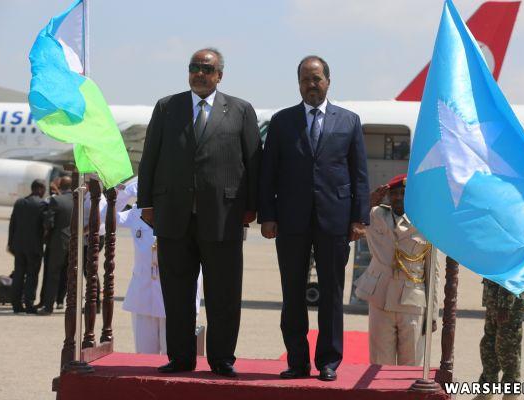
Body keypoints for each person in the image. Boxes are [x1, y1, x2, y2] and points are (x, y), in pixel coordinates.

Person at [137, 48, 261, 376]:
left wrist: (252, 206)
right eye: (194, 68)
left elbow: (253, 162)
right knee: (177, 293)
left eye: (207, 69)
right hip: (173, 215)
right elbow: (150, 157)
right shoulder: (167, 107)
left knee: (224, 293)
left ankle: (222, 359)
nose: (199, 74)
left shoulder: (241, 110)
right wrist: (146, 203)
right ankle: (181, 358)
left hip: (224, 216)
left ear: (220, 75)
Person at [259, 55, 370, 381]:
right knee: (292, 292)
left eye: (317, 78)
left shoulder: (349, 121)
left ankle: (328, 361)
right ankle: (297, 361)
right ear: (298, 84)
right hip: (291, 220)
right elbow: (268, 173)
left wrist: (359, 218)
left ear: (328, 81)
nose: (311, 84)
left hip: (335, 219)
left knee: (331, 293)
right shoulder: (282, 121)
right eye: (305, 79)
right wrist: (267, 215)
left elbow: (359, 174)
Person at [105, 178, 203, 354]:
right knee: (144, 354)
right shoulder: (136, 213)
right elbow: (103, 218)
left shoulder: (187, 213)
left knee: (173, 354)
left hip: (175, 295)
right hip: (144, 294)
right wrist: (125, 193)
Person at [354, 174, 439, 366]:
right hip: (380, 297)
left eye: (404, 193)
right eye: (394, 194)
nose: (398, 197)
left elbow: (432, 272)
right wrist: (369, 200)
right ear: (388, 196)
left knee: (411, 364)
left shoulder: (426, 223)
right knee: (379, 362)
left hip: (412, 301)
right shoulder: (375, 215)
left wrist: (432, 314)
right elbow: (353, 219)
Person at [473, 279, 524, 400]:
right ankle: (487, 389)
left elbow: (512, 273)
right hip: (494, 297)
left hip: (510, 301)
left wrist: (505, 305)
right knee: (488, 346)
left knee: (507, 348)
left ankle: (511, 393)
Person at [7, 179, 47, 314]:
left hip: (19, 246)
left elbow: (12, 224)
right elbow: (46, 225)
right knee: (32, 276)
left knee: (18, 274)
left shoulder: (19, 203)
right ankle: (29, 304)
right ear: (40, 189)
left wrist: (10, 244)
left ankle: (16, 304)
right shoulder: (42, 204)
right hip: (34, 247)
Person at [38, 176, 73, 315]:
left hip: (58, 242)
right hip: (74, 242)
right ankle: (64, 302)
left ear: (60, 186)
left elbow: (49, 223)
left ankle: (48, 306)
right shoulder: (79, 200)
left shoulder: (56, 200)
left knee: (53, 274)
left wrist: (45, 234)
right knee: (69, 274)